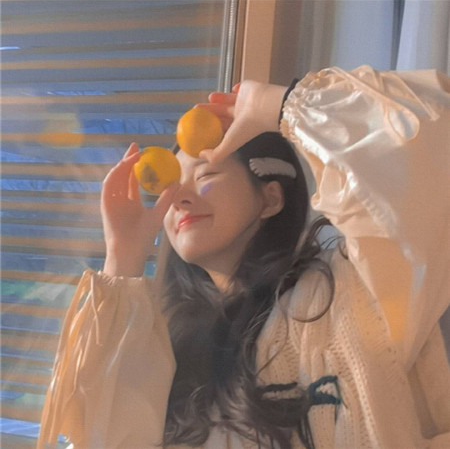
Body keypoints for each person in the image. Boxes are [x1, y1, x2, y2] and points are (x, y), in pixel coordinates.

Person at [38, 65, 450, 448]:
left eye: (206, 176)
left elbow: (426, 152)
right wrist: (123, 258)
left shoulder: (351, 290)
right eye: (169, 188)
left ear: (270, 198)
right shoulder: (171, 353)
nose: (179, 198)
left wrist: (281, 106)